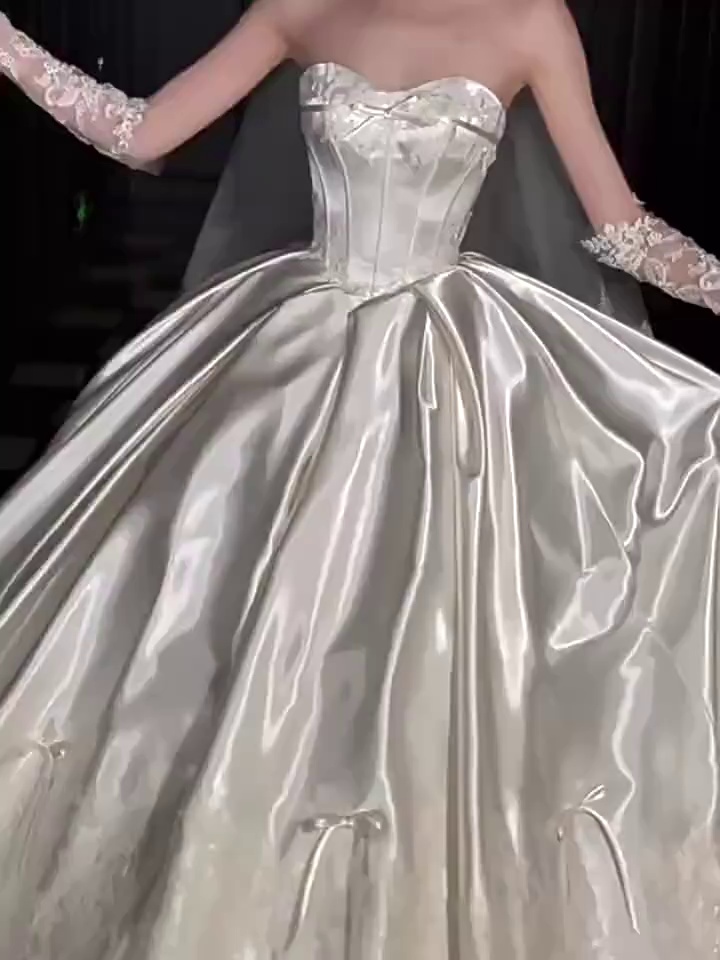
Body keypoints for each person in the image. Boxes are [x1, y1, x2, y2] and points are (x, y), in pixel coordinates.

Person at [1, 0, 720, 957]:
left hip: (459, 373)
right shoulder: (297, 5)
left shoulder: (530, 19)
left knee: (446, 638)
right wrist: (8, 48)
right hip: (293, 353)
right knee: (241, 619)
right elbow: (143, 133)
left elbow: (621, 228)